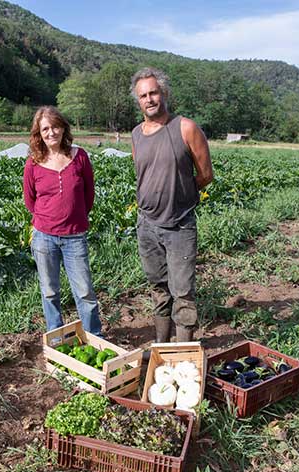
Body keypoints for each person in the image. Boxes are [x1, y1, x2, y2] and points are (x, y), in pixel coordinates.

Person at [130, 67, 214, 342]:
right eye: (143, 95)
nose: (149, 99)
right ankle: (161, 345)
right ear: (138, 100)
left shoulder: (185, 128)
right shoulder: (136, 134)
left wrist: (180, 194)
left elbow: (205, 175)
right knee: (157, 287)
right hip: (147, 225)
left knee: (183, 292)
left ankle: (183, 351)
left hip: (179, 224)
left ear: (163, 93)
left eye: (153, 92)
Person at [23, 106, 102, 335]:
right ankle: (56, 336)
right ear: (39, 133)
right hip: (44, 237)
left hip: (74, 237)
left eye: (55, 126)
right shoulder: (34, 163)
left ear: (63, 128)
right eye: (45, 129)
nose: (51, 133)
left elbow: (89, 195)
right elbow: (30, 200)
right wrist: (48, 218)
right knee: (49, 291)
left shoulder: (79, 157)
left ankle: (94, 337)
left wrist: (74, 217)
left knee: (85, 292)